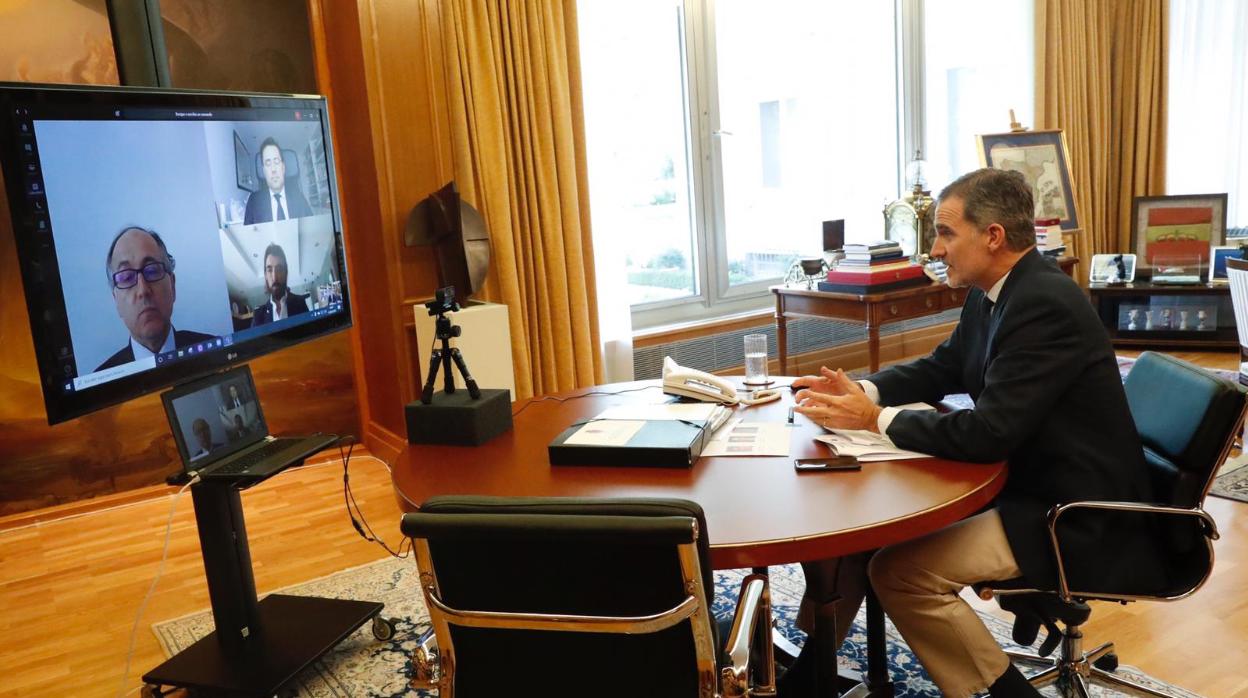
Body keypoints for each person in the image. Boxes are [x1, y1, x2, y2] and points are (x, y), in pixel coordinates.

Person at [787, 168, 1163, 698]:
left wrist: (874, 422)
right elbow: (944, 365)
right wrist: (862, 392)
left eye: (945, 233)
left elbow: (988, 434)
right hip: (1029, 483)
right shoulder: (998, 290)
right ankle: (810, 677)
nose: (936, 249)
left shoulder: (1043, 303)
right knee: (858, 542)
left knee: (899, 572)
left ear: (992, 236)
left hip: (1072, 512)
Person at [96, 226, 214, 371]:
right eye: (126, 277)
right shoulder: (103, 383)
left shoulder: (215, 351)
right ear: (116, 301)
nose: (143, 290)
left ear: (172, 285)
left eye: (152, 271)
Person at [243, 137, 313, 224]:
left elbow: (313, 232)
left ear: (283, 167)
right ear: (264, 171)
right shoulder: (253, 202)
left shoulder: (299, 198)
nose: (273, 169)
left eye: (276, 162)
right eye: (268, 163)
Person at [251, 242, 309, 326]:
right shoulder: (258, 316)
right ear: (265, 275)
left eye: (279, 269)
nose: (274, 277)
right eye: (270, 270)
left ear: (285, 272)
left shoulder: (300, 303)